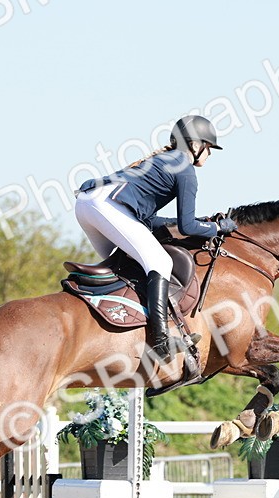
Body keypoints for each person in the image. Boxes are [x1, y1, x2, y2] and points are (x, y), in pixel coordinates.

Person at [74, 115, 237, 356]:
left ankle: (110, 328)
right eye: (208, 147)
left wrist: (200, 222)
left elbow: (151, 221)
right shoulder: (185, 169)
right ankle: (161, 343)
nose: (209, 154)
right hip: (106, 205)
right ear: (194, 145)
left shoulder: (163, 160)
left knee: (123, 264)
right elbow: (187, 228)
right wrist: (217, 228)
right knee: (160, 262)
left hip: (88, 202)